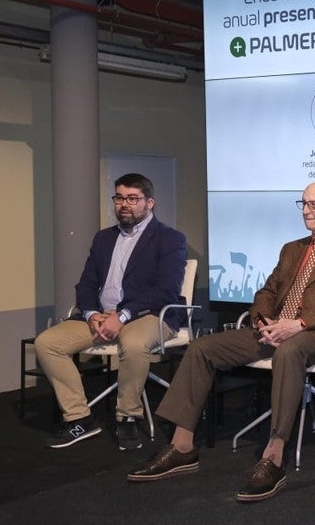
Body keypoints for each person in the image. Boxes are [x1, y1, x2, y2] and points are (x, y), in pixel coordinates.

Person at [127, 181, 315, 503]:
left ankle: (274, 455)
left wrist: (295, 324)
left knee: (288, 349)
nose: (308, 211)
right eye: (304, 204)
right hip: (274, 330)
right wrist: (263, 321)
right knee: (201, 348)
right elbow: (267, 291)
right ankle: (183, 445)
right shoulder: (292, 248)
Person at [34, 173, 187, 450]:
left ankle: (128, 417)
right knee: (47, 343)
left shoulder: (169, 238)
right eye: (119, 198)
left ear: (149, 203)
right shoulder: (104, 238)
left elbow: (166, 290)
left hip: (149, 314)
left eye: (132, 198)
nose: (124, 204)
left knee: (134, 342)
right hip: (102, 315)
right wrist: (92, 314)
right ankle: (80, 419)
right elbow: (86, 284)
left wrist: (123, 315)